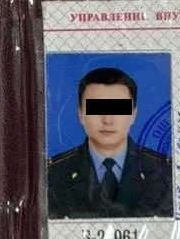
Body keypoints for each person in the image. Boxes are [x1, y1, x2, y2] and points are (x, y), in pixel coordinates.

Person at [48, 67, 173, 218]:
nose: (107, 120)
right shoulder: (52, 174)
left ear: (133, 115)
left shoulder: (166, 172)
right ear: (81, 114)